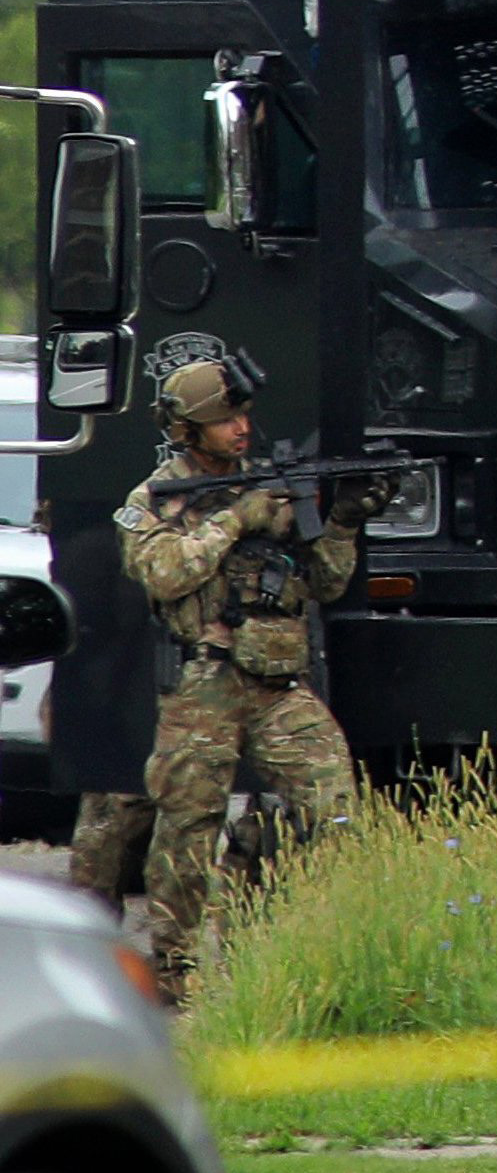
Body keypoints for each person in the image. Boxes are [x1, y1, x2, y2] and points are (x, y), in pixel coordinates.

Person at [112, 356, 392, 1002]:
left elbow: (324, 581)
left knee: (335, 811)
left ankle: (314, 945)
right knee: (186, 826)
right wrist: (239, 517)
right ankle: (177, 969)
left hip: (280, 685)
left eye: (243, 416)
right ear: (188, 429)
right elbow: (164, 573)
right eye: (224, 419)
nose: (241, 429)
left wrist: (343, 520)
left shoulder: (271, 483)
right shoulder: (153, 498)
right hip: (206, 681)